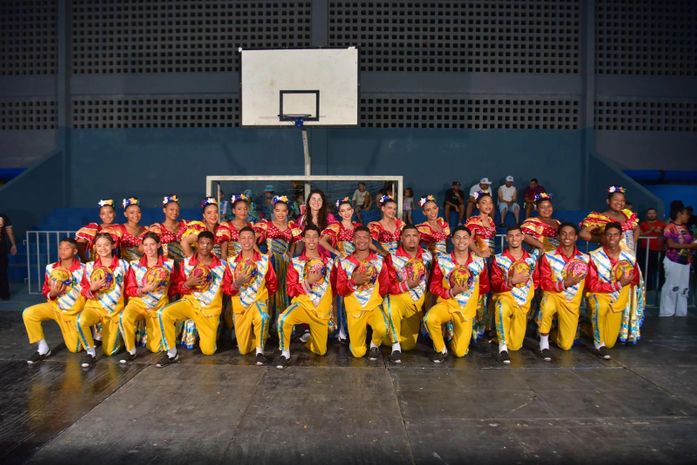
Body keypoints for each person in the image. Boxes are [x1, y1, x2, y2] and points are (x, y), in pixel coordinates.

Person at [157, 231, 233, 366]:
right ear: (197, 244)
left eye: (208, 243)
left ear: (213, 245)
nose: (205, 246)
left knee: (208, 351)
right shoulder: (187, 263)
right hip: (190, 304)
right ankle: (171, 353)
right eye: (202, 243)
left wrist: (236, 284)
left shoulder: (222, 266)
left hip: (208, 311)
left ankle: (203, 336)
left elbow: (227, 289)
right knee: (164, 313)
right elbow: (177, 287)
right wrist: (188, 284)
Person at [424, 226, 489, 362]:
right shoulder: (442, 260)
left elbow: (484, 286)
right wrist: (450, 292)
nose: (461, 241)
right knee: (430, 319)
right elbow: (434, 287)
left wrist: (473, 303)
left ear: (470, 240)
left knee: (460, 353)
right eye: (458, 238)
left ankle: (453, 340)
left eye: (465, 238)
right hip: (447, 304)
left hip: (465, 311)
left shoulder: (479, 262)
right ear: (452, 240)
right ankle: (440, 349)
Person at [276, 225, 336, 369]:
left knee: (321, 351)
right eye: (308, 236)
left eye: (315, 236)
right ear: (303, 239)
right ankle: (284, 353)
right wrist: (308, 282)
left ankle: (310, 340)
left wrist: (331, 312)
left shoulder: (330, 262)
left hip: (321, 312)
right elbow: (290, 290)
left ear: (319, 239)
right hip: (302, 306)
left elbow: (333, 289)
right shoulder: (296, 262)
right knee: (283, 319)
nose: (311, 240)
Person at [179, 197, 231, 348]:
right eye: (209, 213)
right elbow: (184, 243)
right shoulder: (198, 230)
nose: (213, 215)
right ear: (204, 215)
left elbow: (224, 255)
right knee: (197, 302)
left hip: (217, 270)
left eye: (215, 212)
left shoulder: (223, 230)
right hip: (199, 270)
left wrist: (222, 271)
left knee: (219, 304)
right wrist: (193, 262)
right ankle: (193, 338)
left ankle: (217, 335)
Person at [23, 238, 86, 363]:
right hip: (55, 307)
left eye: (66, 248)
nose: (62, 251)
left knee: (75, 348)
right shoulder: (50, 267)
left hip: (72, 312)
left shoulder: (84, 268)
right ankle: (43, 348)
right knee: (29, 313)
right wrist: (52, 294)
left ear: (74, 251)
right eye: (60, 248)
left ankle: (85, 328)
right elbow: (45, 290)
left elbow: (87, 292)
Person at [119, 232, 178, 363]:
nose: (149, 248)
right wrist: (143, 290)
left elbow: (174, 286)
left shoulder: (169, 264)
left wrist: (164, 292)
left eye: (152, 244)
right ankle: (131, 351)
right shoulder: (134, 264)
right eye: (145, 245)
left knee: (155, 348)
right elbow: (129, 289)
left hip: (158, 306)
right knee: (124, 317)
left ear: (158, 245)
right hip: (138, 303)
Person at [333, 226, 390, 359]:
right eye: (358, 237)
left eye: (365, 237)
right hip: (355, 310)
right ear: (353, 240)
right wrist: (353, 282)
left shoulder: (379, 261)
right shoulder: (345, 263)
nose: (362, 240)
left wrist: (376, 299)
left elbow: (384, 286)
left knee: (383, 327)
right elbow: (340, 289)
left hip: (373, 307)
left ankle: (374, 345)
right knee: (358, 353)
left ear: (370, 240)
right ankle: (356, 343)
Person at [586, 223, 642, 359]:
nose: (612, 238)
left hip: (617, 299)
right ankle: (599, 345)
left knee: (610, 343)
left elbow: (635, 280)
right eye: (609, 234)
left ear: (621, 236)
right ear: (604, 236)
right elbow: (591, 285)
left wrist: (623, 277)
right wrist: (616, 285)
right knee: (600, 306)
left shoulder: (630, 256)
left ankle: (584, 327)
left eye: (616, 235)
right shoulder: (594, 256)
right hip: (599, 294)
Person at [536, 223, 589, 360]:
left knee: (565, 345)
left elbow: (590, 283)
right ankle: (544, 343)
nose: (567, 237)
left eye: (571, 234)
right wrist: (564, 284)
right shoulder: (548, 256)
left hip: (571, 302)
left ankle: (554, 334)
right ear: (558, 236)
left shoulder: (585, 258)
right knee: (547, 306)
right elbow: (544, 283)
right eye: (563, 234)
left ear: (576, 237)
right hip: (553, 294)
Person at [76, 233, 130, 368]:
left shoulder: (123, 265)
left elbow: (129, 288)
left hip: (114, 311)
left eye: (106, 245)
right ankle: (90, 352)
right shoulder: (89, 266)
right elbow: (83, 289)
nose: (103, 248)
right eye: (99, 245)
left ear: (113, 245)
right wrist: (92, 288)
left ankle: (120, 336)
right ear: (94, 247)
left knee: (110, 351)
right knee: (80, 320)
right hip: (94, 307)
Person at [227, 226, 278, 365]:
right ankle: (257, 339)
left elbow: (273, 283)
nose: (247, 241)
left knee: (263, 316)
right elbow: (226, 288)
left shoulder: (264, 260)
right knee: (243, 350)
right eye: (243, 238)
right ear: (238, 240)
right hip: (240, 306)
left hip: (258, 301)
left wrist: (264, 298)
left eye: (250, 238)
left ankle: (260, 351)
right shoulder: (231, 262)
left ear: (255, 239)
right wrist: (236, 284)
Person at [383, 224, 433, 363]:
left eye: (414, 236)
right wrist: (406, 285)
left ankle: (390, 337)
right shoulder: (392, 257)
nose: (411, 239)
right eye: (407, 236)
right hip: (399, 297)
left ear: (419, 237)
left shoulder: (428, 256)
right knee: (390, 305)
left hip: (417, 302)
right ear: (401, 238)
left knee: (408, 345)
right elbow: (386, 285)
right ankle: (395, 347)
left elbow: (431, 282)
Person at [254, 195, 302, 337]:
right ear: (273, 211)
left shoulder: (291, 226)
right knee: (270, 291)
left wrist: (290, 253)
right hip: (271, 263)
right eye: (278, 210)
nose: (281, 213)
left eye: (284, 210)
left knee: (284, 292)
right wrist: (263, 256)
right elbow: (252, 241)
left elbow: (295, 242)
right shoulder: (266, 225)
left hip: (286, 263)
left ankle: (283, 327)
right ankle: (267, 328)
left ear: (287, 212)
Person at [489, 225, 539, 364]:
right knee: (501, 307)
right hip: (506, 297)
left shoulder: (531, 259)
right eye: (511, 236)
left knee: (515, 346)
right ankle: (502, 348)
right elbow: (495, 284)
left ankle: (500, 338)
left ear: (523, 237)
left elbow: (536, 280)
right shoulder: (499, 259)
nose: (514, 239)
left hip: (523, 303)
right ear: (506, 238)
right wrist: (511, 281)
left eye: (517, 235)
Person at [319, 197, 362, 343]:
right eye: (343, 211)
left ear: (352, 210)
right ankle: (341, 329)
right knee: (341, 297)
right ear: (339, 213)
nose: (346, 213)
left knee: (356, 296)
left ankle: (354, 327)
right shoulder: (336, 226)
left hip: (356, 264)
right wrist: (336, 252)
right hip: (342, 265)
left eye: (348, 209)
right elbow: (322, 240)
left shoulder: (357, 226)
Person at [659, 205, 696, 317]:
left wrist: (694, 242)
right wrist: (690, 246)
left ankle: (681, 312)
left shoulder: (684, 227)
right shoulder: (669, 227)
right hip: (673, 260)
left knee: (684, 288)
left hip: (686, 261)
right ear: (679, 214)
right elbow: (671, 244)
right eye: (686, 214)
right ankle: (667, 313)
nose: (688, 216)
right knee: (671, 286)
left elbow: (690, 241)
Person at [580, 186, 640, 253]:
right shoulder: (599, 218)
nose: (619, 203)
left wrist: (632, 242)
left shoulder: (628, 215)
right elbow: (583, 233)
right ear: (608, 201)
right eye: (616, 200)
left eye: (622, 200)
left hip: (628, 255)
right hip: (608, 255)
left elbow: (637, 228)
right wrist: (601, 239)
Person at [147, 195, 188, 263]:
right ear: (164, 210)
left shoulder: (186, 225)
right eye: (171, 209)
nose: (175, 212)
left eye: (177, 210)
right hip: (166, 265)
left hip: (185, 265)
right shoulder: (157, 229)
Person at [298, 189, 337, 257]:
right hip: (307, 257)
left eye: (319, 199)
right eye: (313, 199)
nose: (316, 202)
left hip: (325, 257)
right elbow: (299, 241)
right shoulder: (301, 219)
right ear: (308, 201)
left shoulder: (329, 218)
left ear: (323, 202)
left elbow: (333, 238)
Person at [108, 197, 145, 261]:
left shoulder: (145, 230)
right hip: (124, 265)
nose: (136, 215)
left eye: (138, 212)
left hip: (143, 265)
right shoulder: (118, 229)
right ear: (125, 214)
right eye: (131, 212)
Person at [638, 208, 666, 291]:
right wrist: (650, 230)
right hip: (646, 249)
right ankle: (647, 287)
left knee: (661, 269)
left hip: (659, 250)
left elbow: (666, 234)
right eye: (650, 213)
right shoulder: (642, 224)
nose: (651, 215)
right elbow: (640, 234)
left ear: (656, 214)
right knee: (646, 269)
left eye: (653, 213)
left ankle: (661, 287)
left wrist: (660, 232)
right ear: (647, 214)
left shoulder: (662, 224)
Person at [465, 192, 496, 259]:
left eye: (490, 202)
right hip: (477, 259)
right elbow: (469, 239)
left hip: (490, 257)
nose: (488, 205)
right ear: (478, 206)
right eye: (484, 203)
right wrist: (480, 253)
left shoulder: (491, 222)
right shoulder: (473, 221)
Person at [0, 212, 17, 300]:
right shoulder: (3, 216)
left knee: (2, 271)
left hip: (1, 248)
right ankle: (5, 294)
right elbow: (9, 231)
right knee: (2, 271)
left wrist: (13, 244)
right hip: (1, 248)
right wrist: (13, 244)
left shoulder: (3, 216)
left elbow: (9, 231)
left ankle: (5, 294)